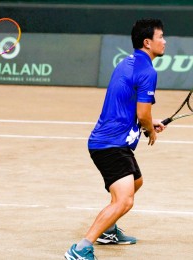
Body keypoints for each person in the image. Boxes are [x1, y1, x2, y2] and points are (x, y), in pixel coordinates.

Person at [65, 18, 167, 259]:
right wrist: (149, 128)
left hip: (112, 140)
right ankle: (81, 248)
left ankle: (108, 231)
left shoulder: (126, 62)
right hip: (110, 145)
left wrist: (148, 122)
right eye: (160, 37)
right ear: (147, 42)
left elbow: (129, 105)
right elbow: (142, 112)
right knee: (124, 201)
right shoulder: (148, 71)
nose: (164, 41)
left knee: (136, 182)